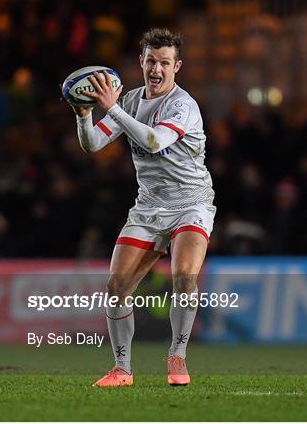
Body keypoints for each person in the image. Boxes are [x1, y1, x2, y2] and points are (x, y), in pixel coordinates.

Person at [70, 28, 215, 387]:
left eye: (165, 62)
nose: (157, 68)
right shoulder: (132, 100)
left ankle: (177, 357)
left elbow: (153, 141)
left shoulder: (183, 105)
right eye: (151, 60)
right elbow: (92, 144)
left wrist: (112, 108)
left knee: (184, 276)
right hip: (149, 207)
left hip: (190, 203)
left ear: (176, 66)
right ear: (141, 62)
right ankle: (122, 370)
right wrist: (83, 113)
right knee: (117, 287)